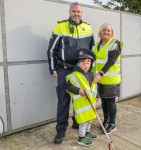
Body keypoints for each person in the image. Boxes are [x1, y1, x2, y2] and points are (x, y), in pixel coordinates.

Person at [47, 2, 94, 144]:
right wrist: (53, 69)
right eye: (74, 11)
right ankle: (60, 131)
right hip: (64, 69)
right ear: (69, 12)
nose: (76, 14)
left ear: (82, 13)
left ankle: (77, 122)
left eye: (79, 12)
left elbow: (91, 51)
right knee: (63, 101)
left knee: (81, 99)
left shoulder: (88, 28)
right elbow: (51, 50)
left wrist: (90, 69)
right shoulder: (60, 26)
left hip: (81, 71)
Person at [92, 23, 123, 134]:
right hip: (100, 80)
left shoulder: (115, 44)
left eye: (109, 31)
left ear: (112, 33)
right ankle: (106, 121)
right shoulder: (96, 46)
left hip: (111, 80)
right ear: (100, 32)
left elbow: (111, 61)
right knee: (104, 101)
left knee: (110, 102)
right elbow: (94, 62)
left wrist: (100, 74)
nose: (106, 32)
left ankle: (112, 124)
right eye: (104, 30)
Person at [66, 48, 97, 146]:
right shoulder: (73, 75)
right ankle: (81, 138)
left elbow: (94, 86)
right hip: (81, 104)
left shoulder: (91, 74)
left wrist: (97, 96)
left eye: (88, 63)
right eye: (83, 63)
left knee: (89, 119)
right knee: (83, 121)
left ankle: (87, 133)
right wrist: (78, 91)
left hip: (91, 102)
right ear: (78, 64)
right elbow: (68, 87)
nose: (86, 65)